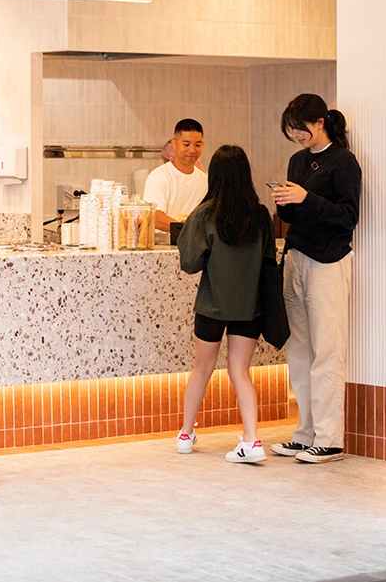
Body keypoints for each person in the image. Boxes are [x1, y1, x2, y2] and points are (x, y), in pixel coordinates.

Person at [270, 94, 360, 464]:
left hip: (328, 260)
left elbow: (347, 217)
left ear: (320, 122)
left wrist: (306, 198)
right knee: (299, 351)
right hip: (296, 256)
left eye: (300, 127)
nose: (296, 134)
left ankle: (329, 438)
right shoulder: (297, 160)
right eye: (291, 129)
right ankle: (304, 433)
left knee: (327, 350)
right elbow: (295, 215)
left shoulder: (343, 161)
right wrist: (284, 201)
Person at [175, 145, 276, 464]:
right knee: (240, 372)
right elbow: (269, 258)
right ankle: (252, 439)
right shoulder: (260, 215)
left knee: (202, 368)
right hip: (250, 307)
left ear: (214, 176)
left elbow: (190, 263)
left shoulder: (205, 214)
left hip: (212, 305)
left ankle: (185, 435)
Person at [143, 118, 208, 232]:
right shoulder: (159, 176)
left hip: (194, 241)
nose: (192, 150)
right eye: (186, 144)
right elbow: (155, 217)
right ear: (174, 143)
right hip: (164, 241)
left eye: (197, 145)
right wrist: (187, 230)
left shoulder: (205, 180)